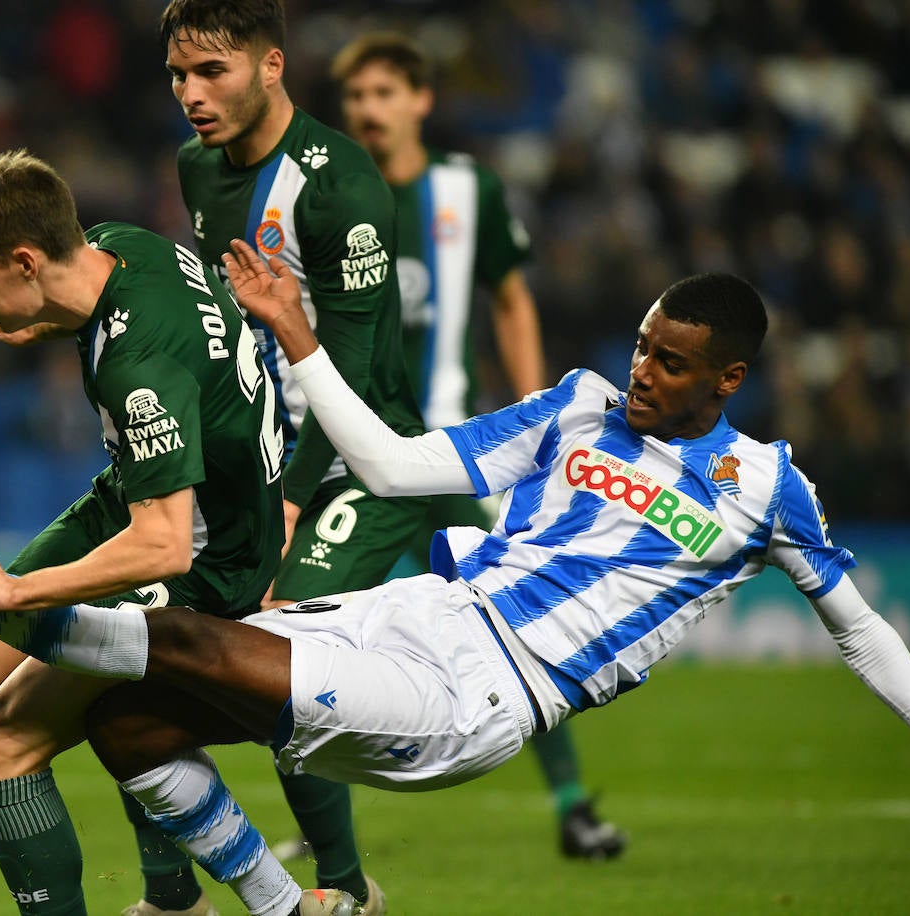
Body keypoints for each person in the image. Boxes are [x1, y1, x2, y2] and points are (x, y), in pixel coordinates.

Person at [0, 255, 910, 915]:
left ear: (727, 380)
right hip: (425, 612)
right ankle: (291, 908)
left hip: (493, 690)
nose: (643, 370)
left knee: (192, 634)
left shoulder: (770, 486)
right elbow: (390, 466)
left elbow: (862, 632)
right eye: (643, 346)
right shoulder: (579, 407)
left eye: (671, 362)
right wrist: (300, 344)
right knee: (129, 727)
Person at [0, 150, 337, 916]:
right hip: (149, 503)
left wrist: (16, 586)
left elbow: (163, 546)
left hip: (200, 565)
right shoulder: (128, 246)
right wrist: (39, 321)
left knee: (2, 746)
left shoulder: (136, 364)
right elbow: (138, 342)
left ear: (25, 259)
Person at [113, 3, 430, 914]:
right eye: (177, 74)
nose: (189, 94)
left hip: (359, 466)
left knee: (279, 648)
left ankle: (343, 892)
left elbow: (363, 375)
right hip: (256, 455)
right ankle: (173, 897)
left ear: (271, 66)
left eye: (211, 70)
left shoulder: (341, 187)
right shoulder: (196, 168)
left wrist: (289, 497)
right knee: (148, 642)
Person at [330, 31, 623, 859]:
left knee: (520, 617)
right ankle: (322, 829)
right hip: (350, 454)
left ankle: (571, 803)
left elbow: (511, 301)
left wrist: (543, 425)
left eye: (384, 93)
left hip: (452, 448)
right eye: (355, 97)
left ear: (421, 100)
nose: (367, 110)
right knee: (310, 625)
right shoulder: (329, 195)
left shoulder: (468, 190)